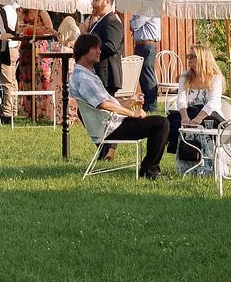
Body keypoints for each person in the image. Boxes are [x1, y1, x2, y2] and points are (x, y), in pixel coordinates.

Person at [68, 33, 167, 179]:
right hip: (110, 128)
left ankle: (150, 169)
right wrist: (133, 113)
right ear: (84, 51)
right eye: (95, 48)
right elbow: (103, 104)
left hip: (113, 122)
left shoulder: (88, 75)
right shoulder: (82, 78)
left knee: (161, 122)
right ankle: (149, 171)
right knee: (161, 123)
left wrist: (130, 101)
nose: (99, 51)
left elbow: (107, 103)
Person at [167, 46, 228, 174]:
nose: (189, 59)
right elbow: (181, 99)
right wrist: (184, 117)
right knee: (171, 122)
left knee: (207, 124)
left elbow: (213, 102)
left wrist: (198, 118)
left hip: (209, 114)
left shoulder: (215, 77)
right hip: (189, 113)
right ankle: (188, 167)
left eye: (192, 56)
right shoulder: (185, 77)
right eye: (188, 56)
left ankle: (209, 168)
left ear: (203, 59)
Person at [85, 0, 126, 97]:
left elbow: (111, 46)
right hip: (97, 73)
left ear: (107, 1)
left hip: (106, 75)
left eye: (96, 0)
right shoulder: (99, 21)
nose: (93, 4)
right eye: (92, 1)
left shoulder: (112, 22)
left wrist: (89, 52)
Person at [129, 9, 162, 111]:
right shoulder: (140, 11)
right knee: (143, 76)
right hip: (141, 45)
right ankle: (147, 105)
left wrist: (133, 21)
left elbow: (134, 25)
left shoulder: (149, 10)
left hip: (147, 45)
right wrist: (133, 21)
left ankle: (151, 106)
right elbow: (132, 24)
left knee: (147, 75)